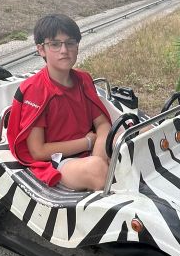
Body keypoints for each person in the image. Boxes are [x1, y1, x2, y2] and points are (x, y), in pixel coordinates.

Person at [7, 14, 111, 191]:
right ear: (41, 50)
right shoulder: (36, 90)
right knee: (96, 170)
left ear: (77, 47)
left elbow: (102, 124)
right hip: (58, 160)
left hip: (90, 152)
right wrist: (87, 143)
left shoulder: (83, 79)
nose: (64, 50)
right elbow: (38, 151)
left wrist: (99, 153)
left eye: (70, 43)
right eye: (55, 44)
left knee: (137, 134)